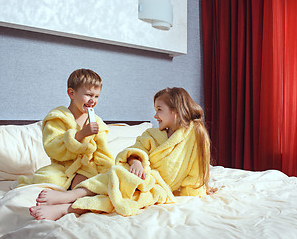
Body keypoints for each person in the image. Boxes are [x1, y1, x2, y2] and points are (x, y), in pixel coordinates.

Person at [29, 87, 213, 220]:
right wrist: (136, 161)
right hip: (137, 174)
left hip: (156, 185)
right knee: (116, 174)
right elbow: (135, 148)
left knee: (118, 195)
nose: (155, 115)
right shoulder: (152, 134)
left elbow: (196, 171)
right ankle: (72, 195)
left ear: (176, 111)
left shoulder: (195, 134)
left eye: (159, 110)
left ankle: (67, 208)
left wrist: (193, 192)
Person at [18, 68, 115, 207]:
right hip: (63, 167)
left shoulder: (97, 122)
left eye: (96, 96)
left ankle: (68, 197)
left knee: (107, 178)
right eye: (88, 95)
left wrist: (108, 169)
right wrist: (80, 134)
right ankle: (72, 194)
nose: (92, 100)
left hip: (87, 168)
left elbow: (102, 152)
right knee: (50, 178)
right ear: (71, 93)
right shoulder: (58, 117)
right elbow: (52, 148)